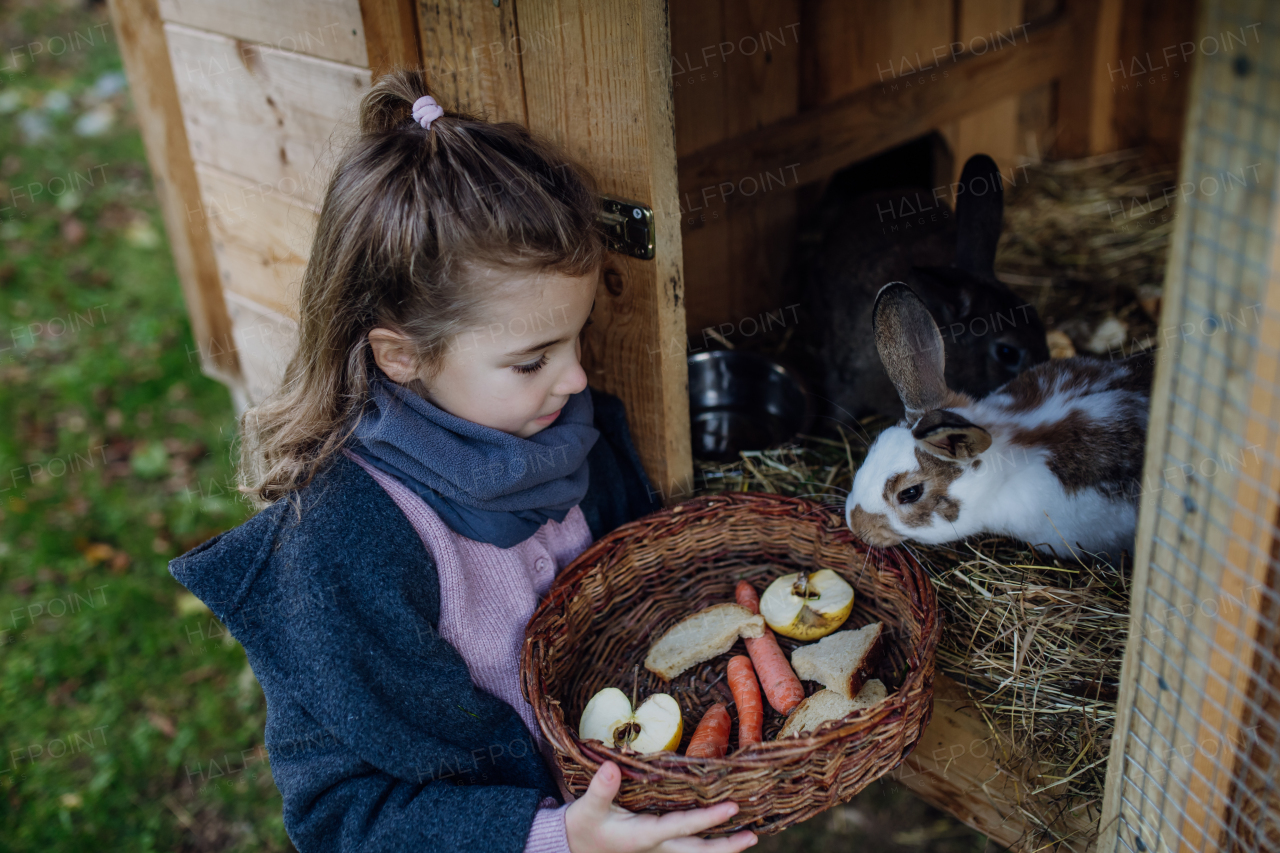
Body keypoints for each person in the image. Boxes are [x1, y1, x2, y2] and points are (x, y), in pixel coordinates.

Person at [169, 68, 759, 853]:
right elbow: (345, 817)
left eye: (576, 338)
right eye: (532, 360)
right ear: (401, 356)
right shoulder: (343, 553)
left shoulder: (572, 432)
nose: (579, 377)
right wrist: (556, 839)